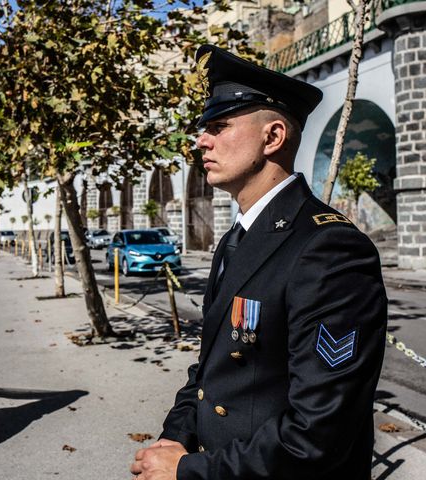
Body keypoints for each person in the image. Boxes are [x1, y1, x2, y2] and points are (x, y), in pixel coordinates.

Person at [131, 45, 387, 480]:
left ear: (272, 137)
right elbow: (209, 370)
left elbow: (318, 434)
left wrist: (190, 471)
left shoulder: (329, 249)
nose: (201, 141)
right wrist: (175, 438)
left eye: (219, 126)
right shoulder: (237, 239)